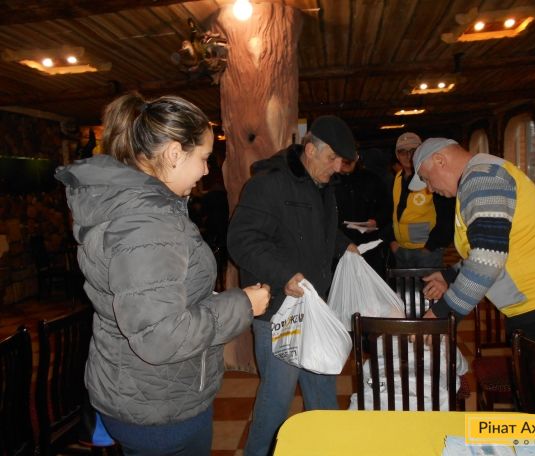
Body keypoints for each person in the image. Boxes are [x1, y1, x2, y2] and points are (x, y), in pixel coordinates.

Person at [54, 92, 270, 456]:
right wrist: (242, 304)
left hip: (149, 392)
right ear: (173, 154)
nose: (206, 171)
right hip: (158, 407)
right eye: (203, 158)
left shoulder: (145, 210)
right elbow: (160, 336)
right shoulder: (148, 224)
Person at [227, 115, 359, 456]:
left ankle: (328, 451)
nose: (337, 167)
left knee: (322, 391)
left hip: (313, 309)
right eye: (332, 158)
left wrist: (343, 244)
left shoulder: (322, 185)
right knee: (276, 400)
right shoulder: (268, 184)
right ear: (310, 149)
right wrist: (283, 273)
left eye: (341, 161)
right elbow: (241, 240)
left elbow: (316, 230)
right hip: (277, 312)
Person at [411, 138, 535, 357]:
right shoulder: (481, 175)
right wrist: (448, 276)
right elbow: (491, 249)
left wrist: (441, 314)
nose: (430, 188)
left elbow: (487, 260)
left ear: (440, 160)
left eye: (427, 178)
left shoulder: (482, 179)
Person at [387, 132, 454, 269]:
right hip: (400, 250)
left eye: (413, 151)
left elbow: (448, 217)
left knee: (430, 284)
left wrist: (430, 247)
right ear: (397, 155)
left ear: (421, 152)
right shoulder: (397, 178)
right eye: (402, 151)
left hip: (427, 251)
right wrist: (392, 241)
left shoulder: (431, 177)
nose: (408, 156)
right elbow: (391, 212)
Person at [348, 335, 468, 411]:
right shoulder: (443, 340)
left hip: (380, 398)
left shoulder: (381, 340)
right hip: (431, 400)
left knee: (370, 381)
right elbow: (462, 369)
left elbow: (366, 376)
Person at [335, 153, 392, 277]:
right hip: (339, 249)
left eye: (350, 156)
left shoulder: (372, 179)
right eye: (343, 155)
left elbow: (387, 208)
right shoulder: (329, 180)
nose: (346, 160)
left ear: (357, 157)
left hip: (369, 248)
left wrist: (377, 221)